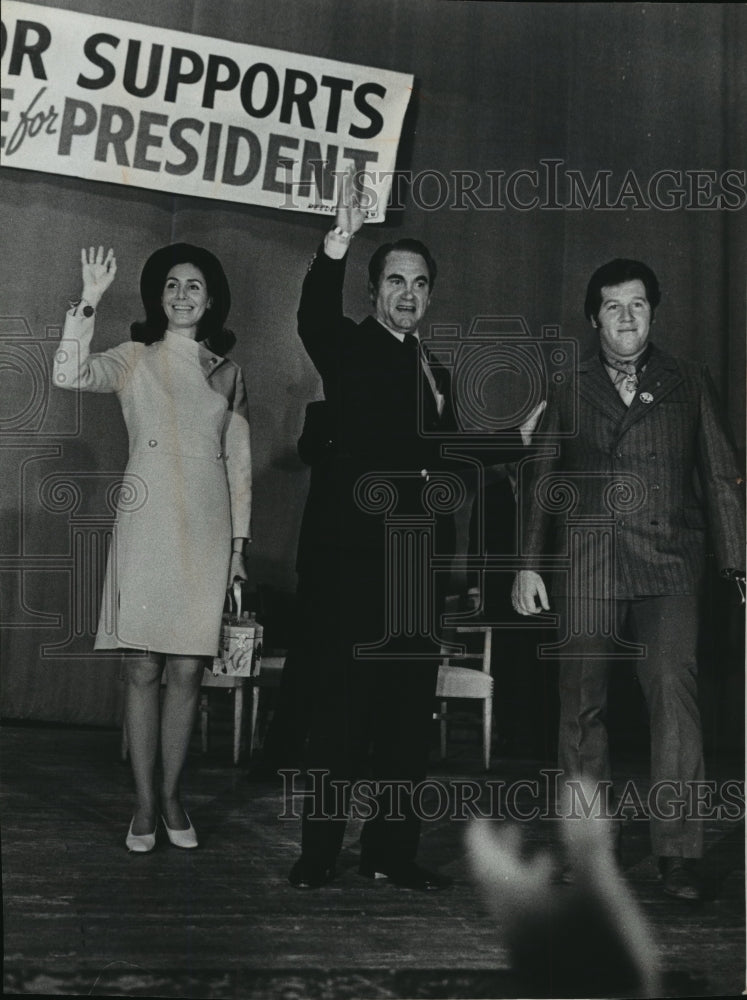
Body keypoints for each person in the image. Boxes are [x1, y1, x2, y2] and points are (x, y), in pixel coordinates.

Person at [287, 171, 541, 890]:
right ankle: (318, 853)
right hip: (354, 563)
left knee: (404, 713)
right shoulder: (355, 349)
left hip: (414, 567)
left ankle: (389, 855)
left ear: (431, 293)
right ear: (373, 292)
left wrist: (511, 443)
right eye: (394, 280)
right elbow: (311, 320)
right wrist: (336, 243)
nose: (406, 293)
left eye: (419, 282)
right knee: (341, 710)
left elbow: (445, 454)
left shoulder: (433, 368)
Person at [512, 258, 745, 901]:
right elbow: (542, 478)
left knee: (675, 699)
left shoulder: (690, 381)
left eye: (637, 304)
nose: (625, 316)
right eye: (612, 306)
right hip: (587, 564)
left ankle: (679, 855)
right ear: (594, 318)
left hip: (669, 562)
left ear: (654, 312)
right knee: (580, 708)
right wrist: (529, 564)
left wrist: (738, 562)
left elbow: (721, 473)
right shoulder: (568, 385)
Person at [53, 244, 252, 852]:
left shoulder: (227, 371)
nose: (183, 295)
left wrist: (239, 547)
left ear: (211, 298)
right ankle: (143, 805)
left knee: (188, 668)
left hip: (209, 529)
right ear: (157, 297)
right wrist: (88, 300)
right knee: (141, 666)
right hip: (146, 524)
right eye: (171, 285)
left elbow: (239, 466)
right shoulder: (134, 358)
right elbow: (68, 374)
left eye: (195, 286)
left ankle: (172, 797)